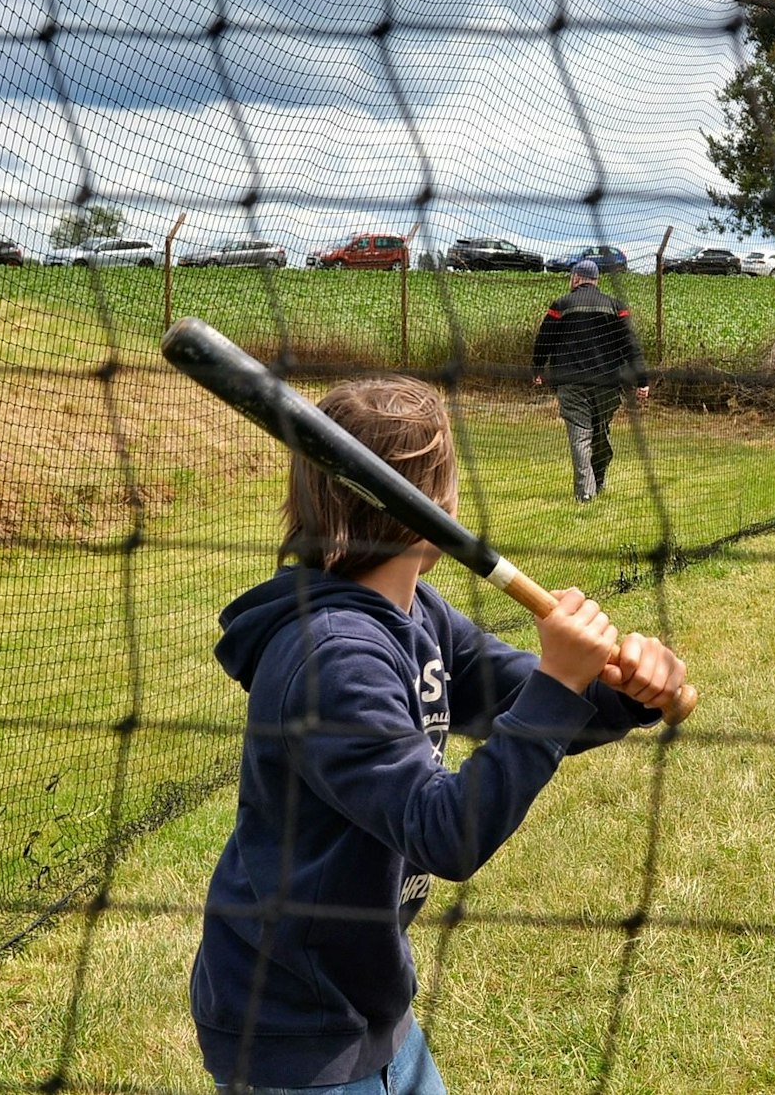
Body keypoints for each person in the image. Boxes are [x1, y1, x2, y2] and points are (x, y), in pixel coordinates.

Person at [188, 376, 686, 1093]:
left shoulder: (417, 610)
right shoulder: (333, 657)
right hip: (294, 1020)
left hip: (369, 998)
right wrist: (559, 684)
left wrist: (621, 687)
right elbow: (443, 831)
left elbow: (518, 692)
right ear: (436, 507)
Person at [530, 259, 649, 503]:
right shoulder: (616, 307)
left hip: (571, 382)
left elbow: (544, 339)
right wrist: (642, 380)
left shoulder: (561, 305)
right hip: (607, 384)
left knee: (580, 436)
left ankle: (586, 492)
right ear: (596, 280)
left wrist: (537, 369)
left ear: (575, 278)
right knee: (600, 433)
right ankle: (597, 482)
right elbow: (631, 345)